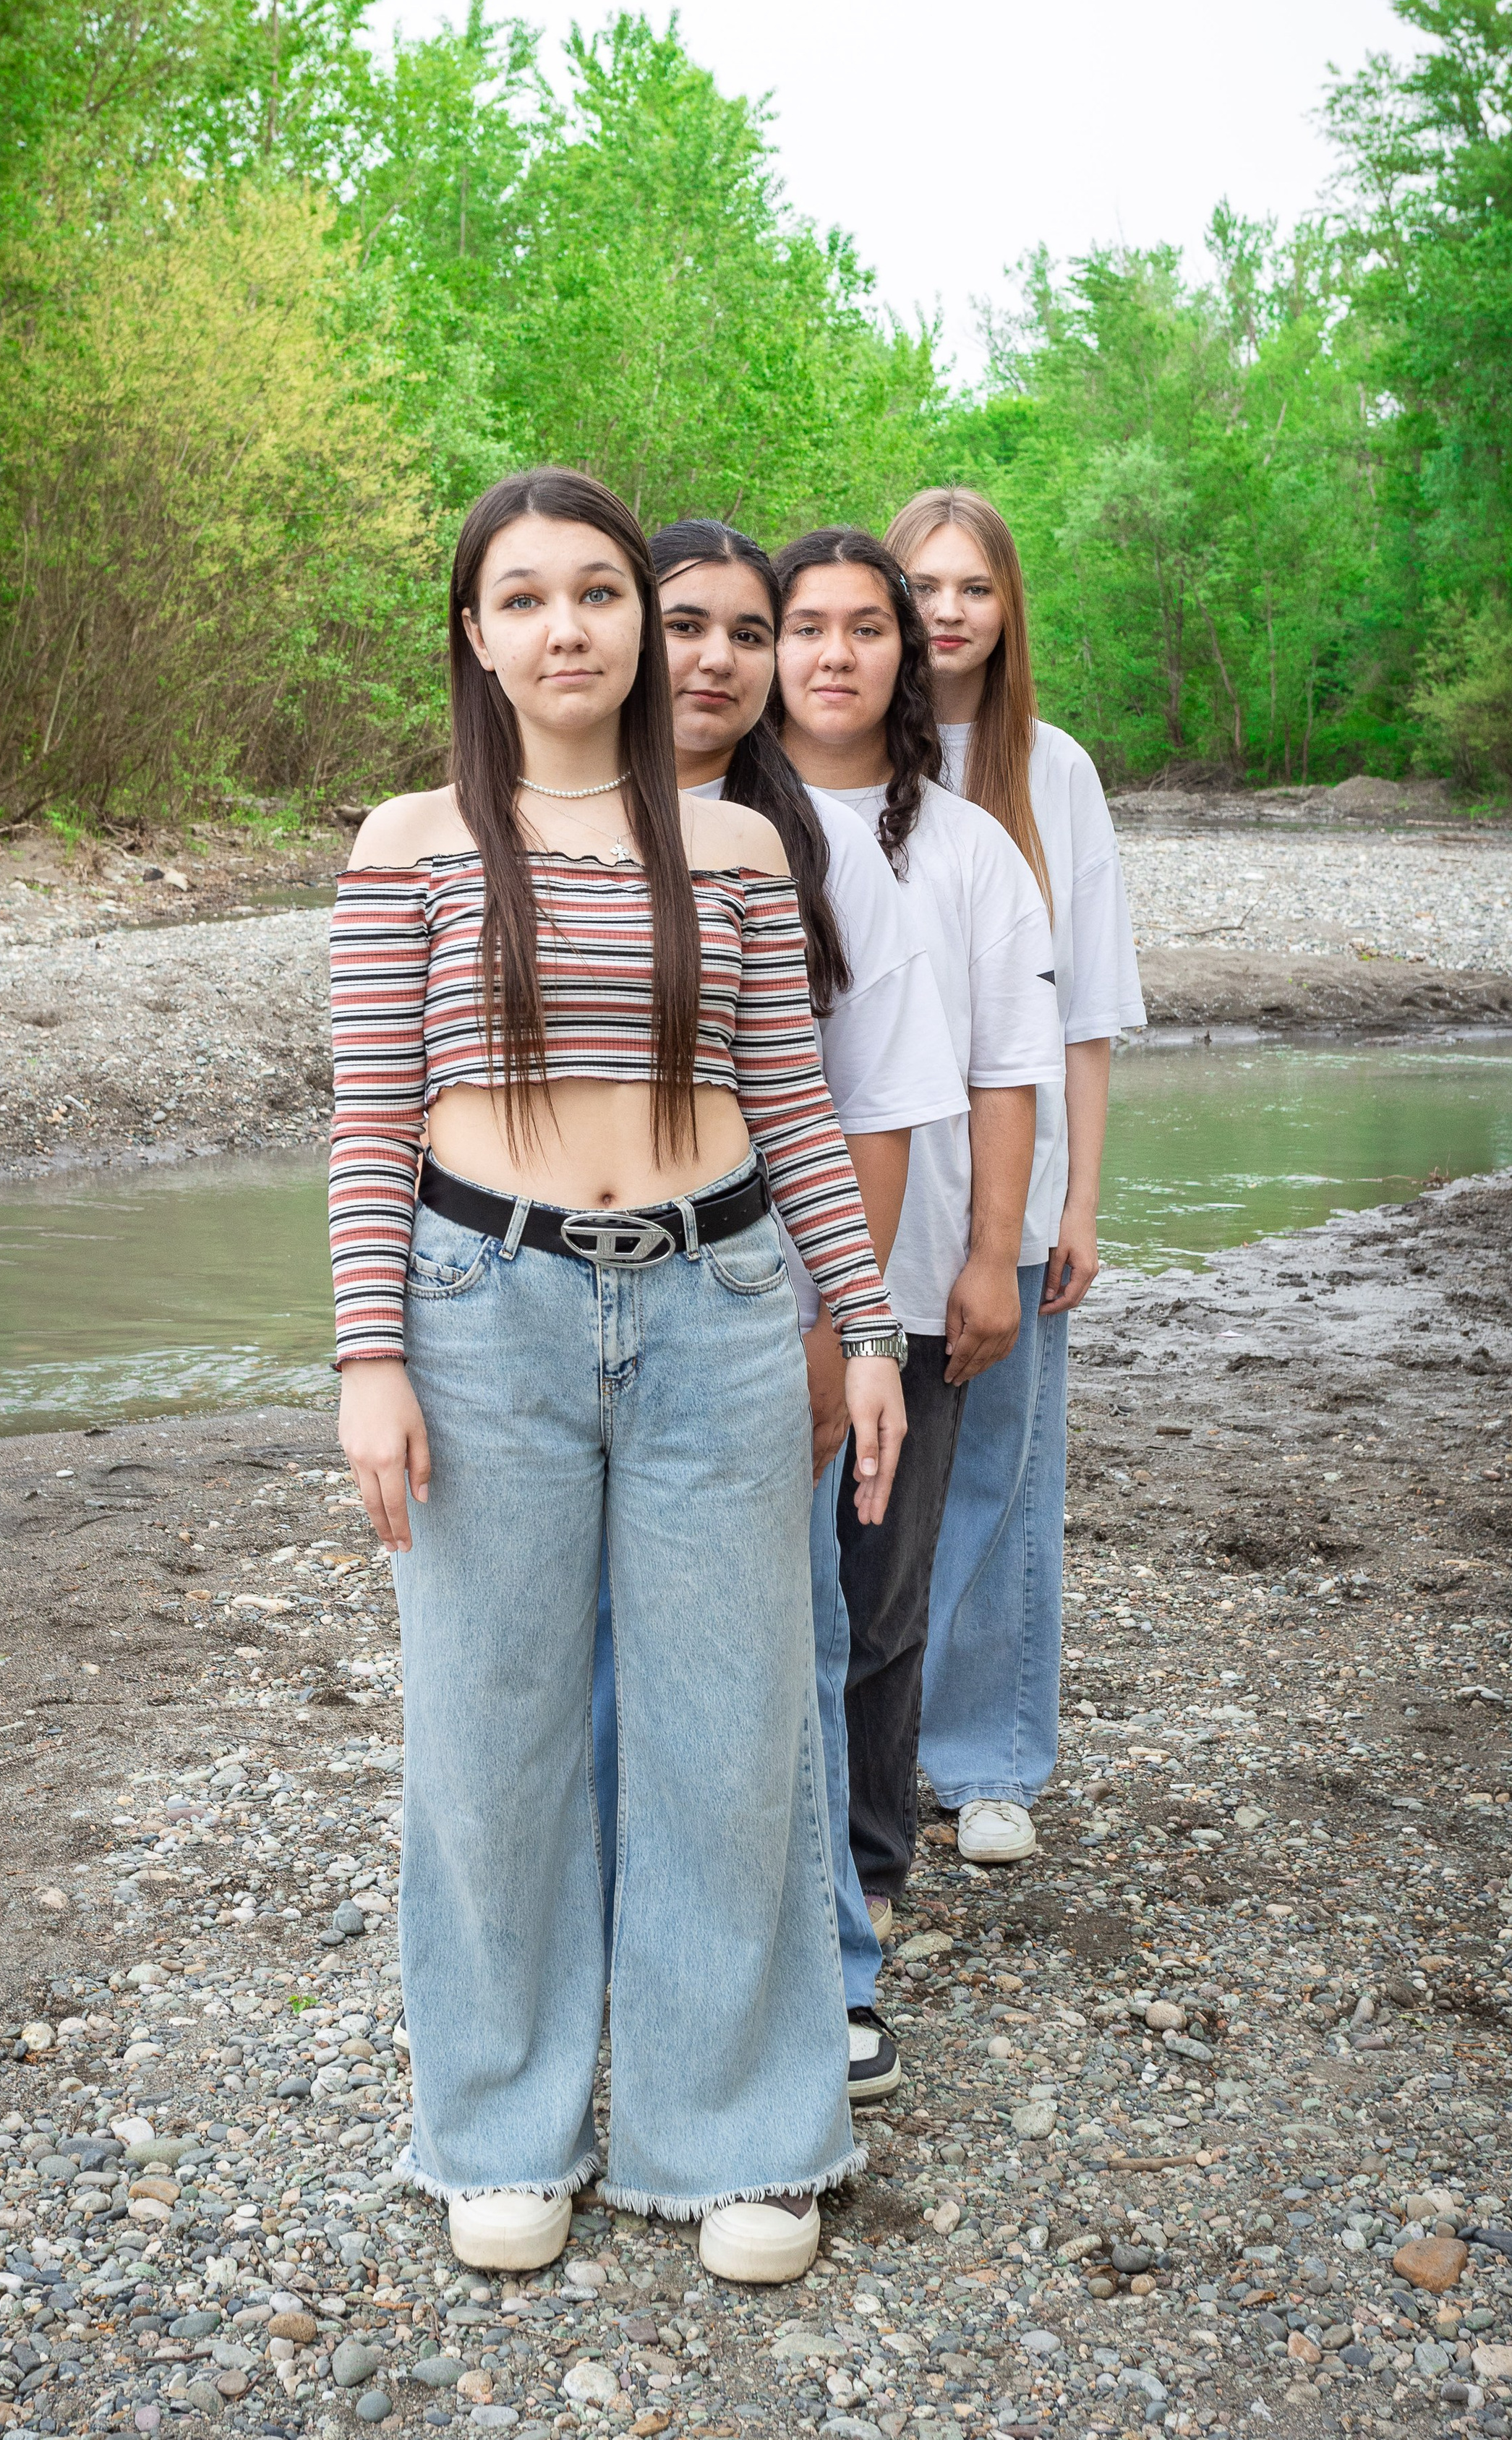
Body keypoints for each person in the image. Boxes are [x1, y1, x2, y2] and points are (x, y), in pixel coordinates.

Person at [330, 469, 908, 2288]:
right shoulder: (405, 841)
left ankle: (733, 2135)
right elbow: (366, 1124)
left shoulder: (729, 847)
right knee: (487, 1731)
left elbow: (792, 1110)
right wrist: (367, 1358)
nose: (565, 626)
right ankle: (497, 2128)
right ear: (476, 635)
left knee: (730, 1730)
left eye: (595, 592)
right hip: (476, 1308)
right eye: (524, 598)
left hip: (715, 1309)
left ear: (633, 633)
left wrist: (864, 1324)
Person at [590, 520, 965, 2110]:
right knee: (592, 1659)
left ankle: (826, 1971)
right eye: (685, 626)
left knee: (791, 1643)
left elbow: (869, 1113)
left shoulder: (809, 848)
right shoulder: (538, 825)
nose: (718, 662)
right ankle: (621, 1962)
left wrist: (840, 1328)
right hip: (558, 1308)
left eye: (747, 634)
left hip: (768, 1305)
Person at [772, 525, 1062, 1936]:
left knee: (881, 1594)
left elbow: (1010, 1062)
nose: (834, 654)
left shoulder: (966, 850)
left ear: (903, 656)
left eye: (864, 629)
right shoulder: (713, 821)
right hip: (736, 1284)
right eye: (805, 625)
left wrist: (989, 1255)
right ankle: (764, 1861)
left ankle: (870, 1869)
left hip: (918, 1278)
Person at [885, 485, 1145, 1864]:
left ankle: (983, 1760)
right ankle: (862, 1742)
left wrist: (1077, 1206)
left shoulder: (1055, 772)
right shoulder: (836, 746)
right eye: (919, 586)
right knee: (856, 1473)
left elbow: (1086, 1015)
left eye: (972, 588)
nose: (945, 613)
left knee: (999, 1471)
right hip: (859, 1187)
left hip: (1009, 1189)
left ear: (1008, 607)